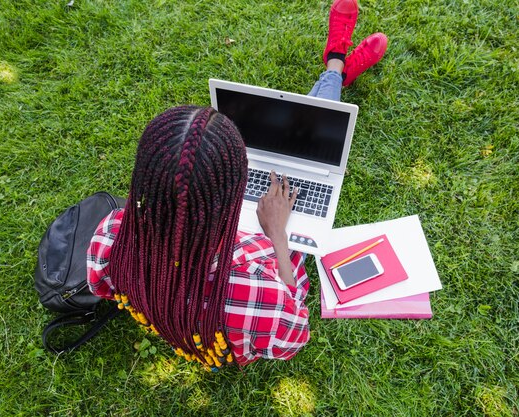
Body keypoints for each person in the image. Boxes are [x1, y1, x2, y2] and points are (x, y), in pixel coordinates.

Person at [86, 0, 387, 370]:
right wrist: (277, 235)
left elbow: (105, 288)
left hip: (191, 322)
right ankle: (336, 68)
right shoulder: (259, 293)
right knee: (300, 143)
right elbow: (295, 331)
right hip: (263, 260)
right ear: (233, 194)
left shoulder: (110, 238)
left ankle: (336, 72)